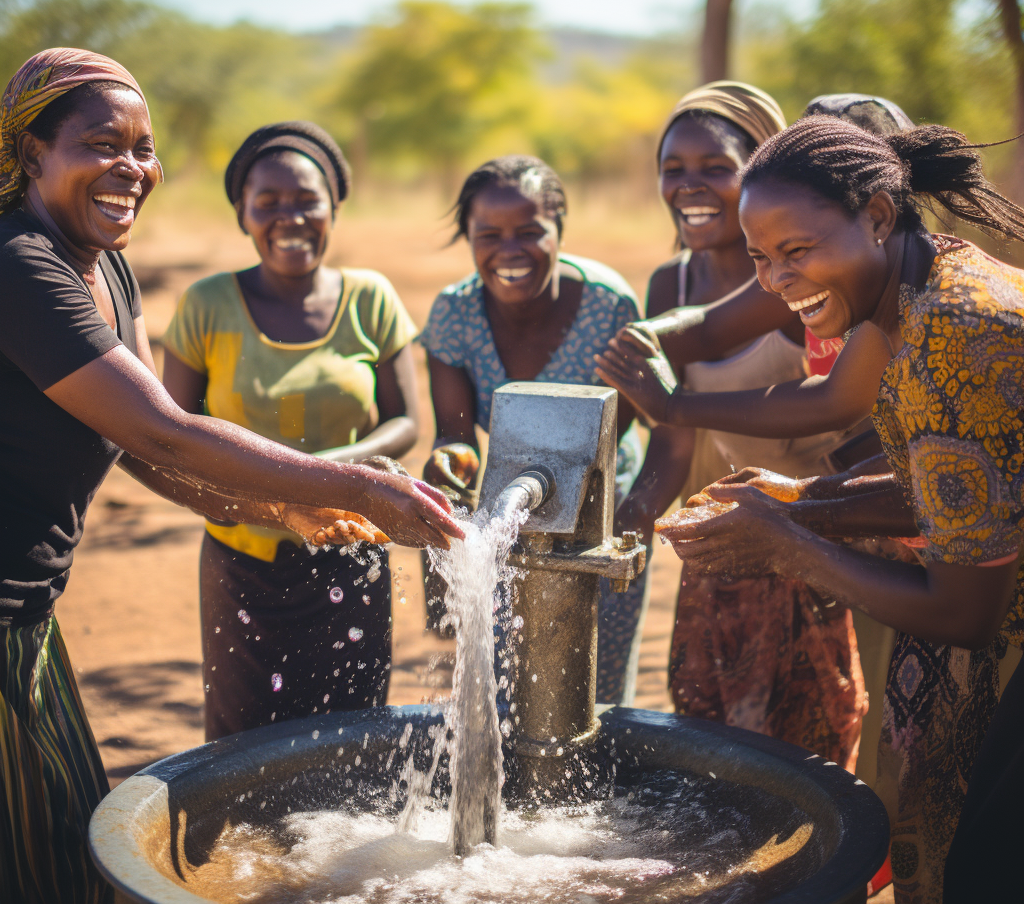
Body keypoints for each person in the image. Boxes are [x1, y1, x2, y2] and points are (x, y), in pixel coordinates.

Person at [0, 48, 461, 904]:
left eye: (143, 148)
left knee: (57, 845)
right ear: (33, 154)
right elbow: (164, 428)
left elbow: (138, 450)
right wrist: (354, 487)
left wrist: (282, 507)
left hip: (27, 614)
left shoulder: (103, 264)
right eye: (103, 144)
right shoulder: (19, 262)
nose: (132, 169)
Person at [632, 115, 1024, 904]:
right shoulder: (908, 288)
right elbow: (942, 485)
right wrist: (799, 502)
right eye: (761, 258)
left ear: (877, 216)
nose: (776, 281)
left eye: (798, 252)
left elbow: (965, 611)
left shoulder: (962, 331)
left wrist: (784, 543)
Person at [612, 82, 867, 771]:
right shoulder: (673, 285)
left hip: (819, 540)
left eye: (715, 168)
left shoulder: (803, 273)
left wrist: (666, 393)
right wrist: (635, 513)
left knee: (811, 757)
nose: (689, 186)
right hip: (724, 541)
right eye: (673, 169)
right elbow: (672, 436)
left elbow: (829, 403)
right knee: (711, 750)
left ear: (762, 172)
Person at [162, 123, 418, 739]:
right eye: (268, 202)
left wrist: (328, 477)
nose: (290, 217)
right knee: (239, 734)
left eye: (307, 200)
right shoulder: (206, 305)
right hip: (241, 552)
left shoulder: (371, 299)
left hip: (352, 548)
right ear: (242, 213)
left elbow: (405, 421)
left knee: (352, 734)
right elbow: (171, 434)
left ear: (333, 208)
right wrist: (289, 488)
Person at [418, 154, 645, 704]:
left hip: (603, 501)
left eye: (530, 231)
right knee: (507, 674)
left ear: (559, 230)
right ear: (469, 238)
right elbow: (456, 434)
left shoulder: (608, 304)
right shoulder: (455, 313)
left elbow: (624, 416)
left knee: (595, 678)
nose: (509, 250)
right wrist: (452, 460)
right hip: (510, 502)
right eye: (488, 234)